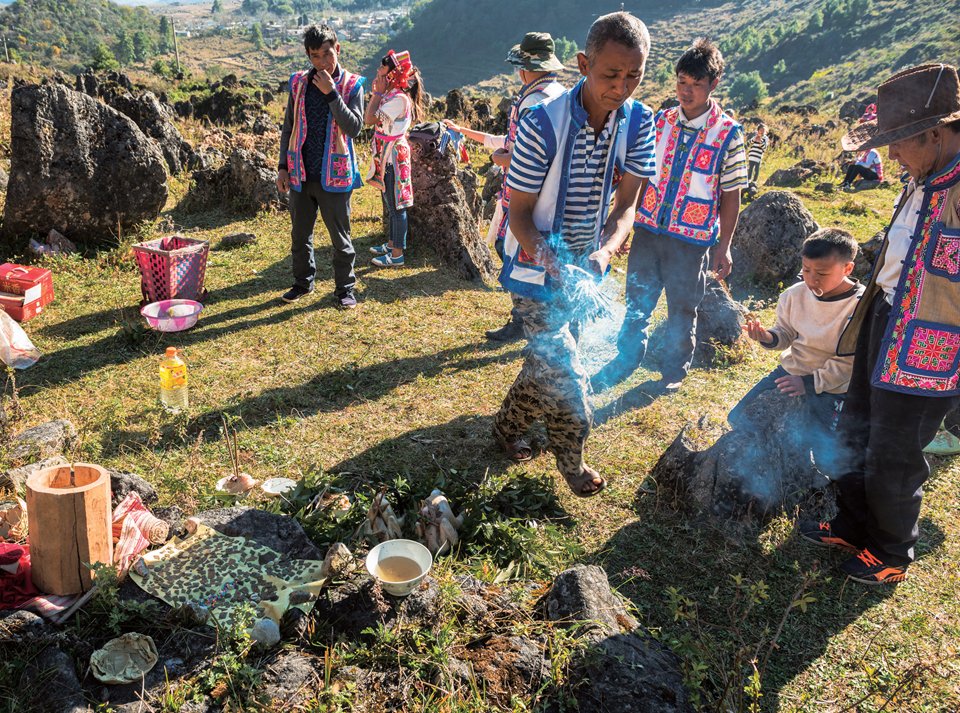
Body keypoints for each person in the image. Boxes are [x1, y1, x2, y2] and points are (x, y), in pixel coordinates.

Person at [798, 63, 960, 585]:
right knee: (856, 425)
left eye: (898, 141)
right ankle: (853, 523)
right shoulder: (924, 175)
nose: (889, 154)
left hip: (931, 347)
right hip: (887, 319)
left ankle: (890, 552)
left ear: (934, 133)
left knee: (895, 449)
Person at [493, 11, 656, 497]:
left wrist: (604, 253)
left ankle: (505, 429)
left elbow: (626, 206)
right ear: (584, 64)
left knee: (547, 360)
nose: (621, 87)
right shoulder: (542, 124)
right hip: (533, 262)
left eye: (634, 76)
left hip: (586, 268)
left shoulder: (638, 122)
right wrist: (552, 264)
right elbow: (520, 215)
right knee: (566, 373)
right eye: (610, 74)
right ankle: (572, 460)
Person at [593, 38, 748, 394]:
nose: (686, 91)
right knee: (638, 301)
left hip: (691, 241)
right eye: (681, 82)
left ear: (714, 84)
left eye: (695, 85)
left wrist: (724, 246)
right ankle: (627, 357)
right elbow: (640, 177)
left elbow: (731, 195)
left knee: (682, 308)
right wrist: (625, 223)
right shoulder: (659, 122)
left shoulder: (729, 134)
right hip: (647, 229)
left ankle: (674, 369)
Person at [444, 33, 566, 342]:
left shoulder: (533, 103)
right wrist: (466, 133)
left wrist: (504, 159)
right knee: (528, 254)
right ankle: (531, 318)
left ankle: (528, 320)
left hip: (527, 194)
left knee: (511, 249)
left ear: (525, 68)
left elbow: (522, 153)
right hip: (551, 195)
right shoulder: (559, 94)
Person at [731, 229, 863, 475]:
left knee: (829, 457)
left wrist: (809, 383)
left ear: (847, 269)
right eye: (806, 270)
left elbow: (850, 363)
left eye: (822, 273)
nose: (811, 280)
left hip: (834, 387)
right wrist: (767, 337)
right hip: (791, 370)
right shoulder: (794, 295)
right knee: (738, 417)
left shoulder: (859, 306)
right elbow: (785, 332)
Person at [277, 24, 365, 308]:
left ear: (337, 49)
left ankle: (345, 289)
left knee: (341, 237)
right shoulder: (299, 83)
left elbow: (354, 128)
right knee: (300, 234)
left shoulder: (352, 85)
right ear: (308, 55)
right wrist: (282, 167)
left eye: (327, 54)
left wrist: (331, 94)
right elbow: (289, 126)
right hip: (301, 172)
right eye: (315, 56)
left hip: (336, 174)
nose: (322, 62)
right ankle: (302, 283)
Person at [365, 50, 423, 268]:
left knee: (397, 206)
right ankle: (391, 244)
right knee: (391, 202)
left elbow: (369, 119)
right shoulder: (393, 95)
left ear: (392, 74)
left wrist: (377, 94)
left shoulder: (398, 99)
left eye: (382, 68)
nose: (378, 71)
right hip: (387, 156)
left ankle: (397, 254)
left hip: (394, 157)